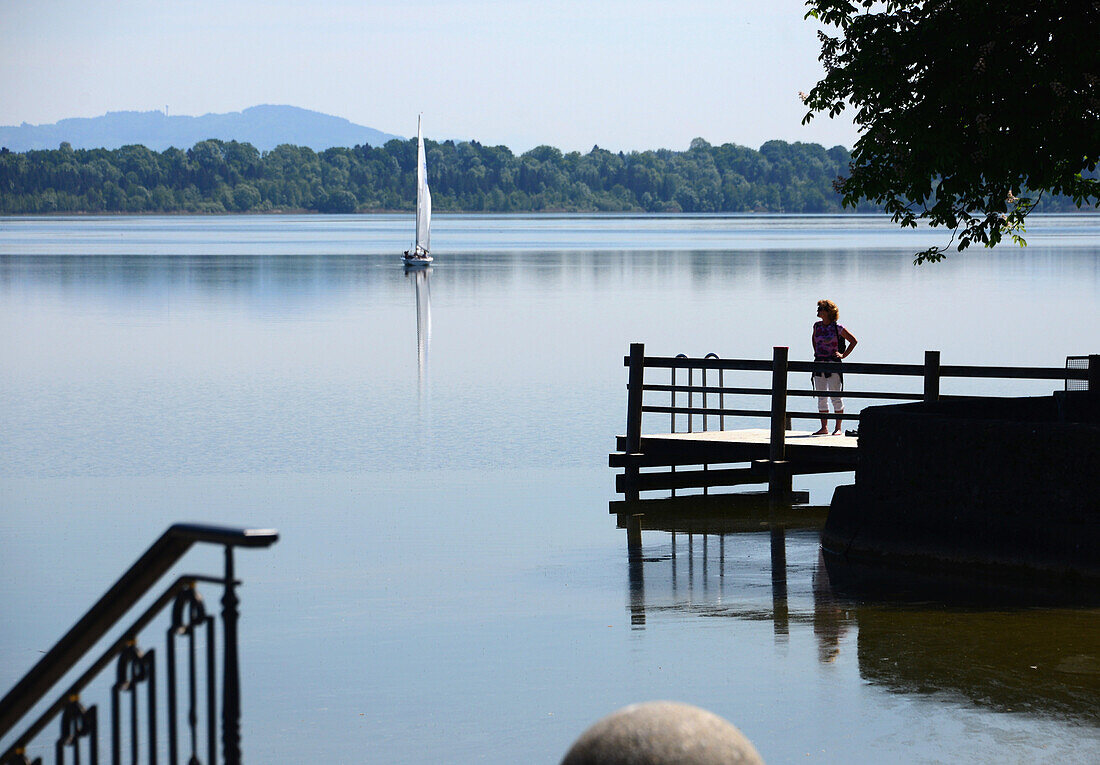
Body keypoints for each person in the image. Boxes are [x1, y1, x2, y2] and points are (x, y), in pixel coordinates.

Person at [811, 299, 857, 435]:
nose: (818, 310)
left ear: (828, 312)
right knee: (821, 397)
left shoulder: (838, 328)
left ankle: (838, 428)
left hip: (833, 365)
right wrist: (817, 352)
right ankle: (824, 427)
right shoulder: (816, 326)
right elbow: (814, 340)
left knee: (836, 396)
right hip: (819, 364)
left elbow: (853, 341)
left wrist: (843, 355)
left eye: (821, 308)